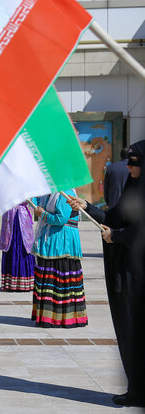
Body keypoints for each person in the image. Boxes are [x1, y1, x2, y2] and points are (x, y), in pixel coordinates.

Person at [67, 147, 145, 407]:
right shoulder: (133, 189)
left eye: (134, 163)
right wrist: (86, 205)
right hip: (125, 271)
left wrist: (118, 236)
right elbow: (112, 218)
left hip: (138, 275)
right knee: (128, 330)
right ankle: (135, 388)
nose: (129, 168)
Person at [30, 189, 87, 328]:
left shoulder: (66, 192)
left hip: (63, 242)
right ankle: (47, 317)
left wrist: (42, 214)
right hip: (50, 240)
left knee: (60, 280)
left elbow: (61, 218)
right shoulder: (48, 192)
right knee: (49, 278)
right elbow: (37, 204)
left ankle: (63, 318)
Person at [0, 203, 35, 291]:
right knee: (11, 244)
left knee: (24, 246)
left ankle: (25, 281)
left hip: (22, 215)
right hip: (11, 216)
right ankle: (11, 282)